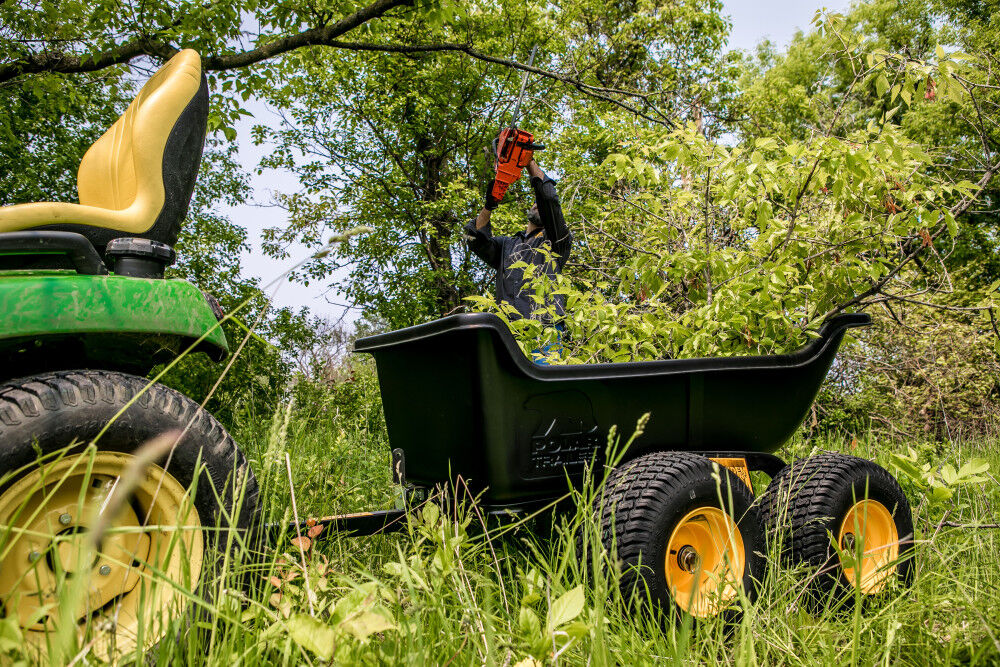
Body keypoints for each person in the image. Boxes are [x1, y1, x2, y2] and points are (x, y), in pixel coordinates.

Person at [465, 158, 572, 363]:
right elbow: (473, 239)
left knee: (542, 385)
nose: (539, 206)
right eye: (536, 203)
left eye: (541, 204)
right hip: (508, 333)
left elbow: (548, 198)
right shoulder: (507, 245)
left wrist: (529, 161)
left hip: (545, 329)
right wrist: (489, 205)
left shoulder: (557, 240)